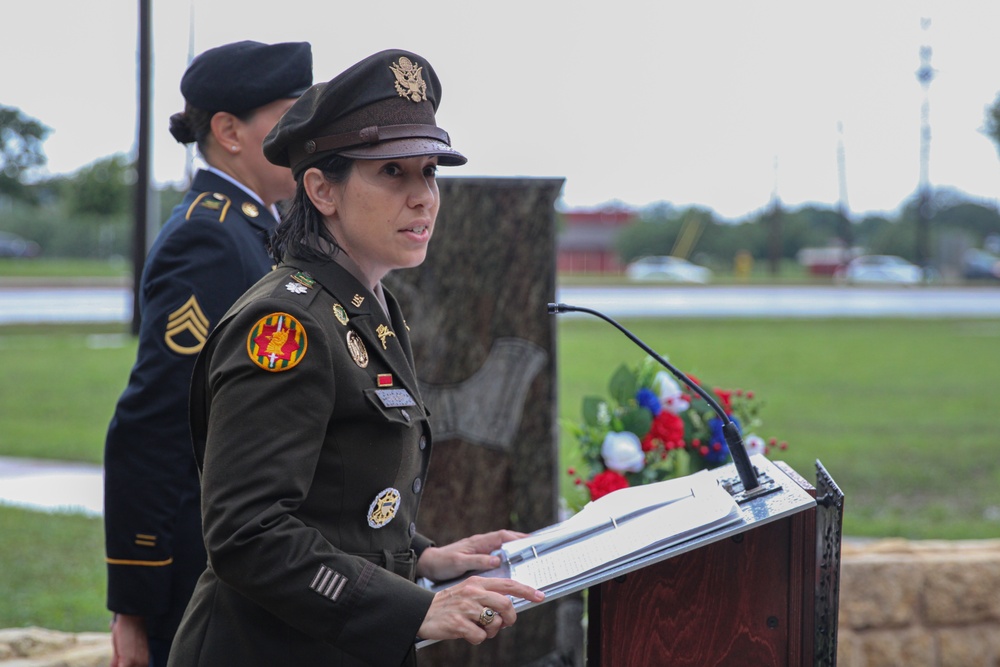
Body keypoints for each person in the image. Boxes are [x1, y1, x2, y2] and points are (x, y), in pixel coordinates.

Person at [167, 49, 545, 667]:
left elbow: (336, 497)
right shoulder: (286, 325)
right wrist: (413, 608)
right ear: (321, 189)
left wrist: (422, 556)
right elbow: (247, 534)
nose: (423, 196)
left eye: (430, 172)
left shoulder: (369, 304)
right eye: (392, 171)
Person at [103, 40, 312, 667]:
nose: (306, 134)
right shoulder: (210, 238)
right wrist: (135, 603)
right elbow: (155, 425)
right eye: (288, 116)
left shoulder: (256, 228)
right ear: (229, 131)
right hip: (199, 578)